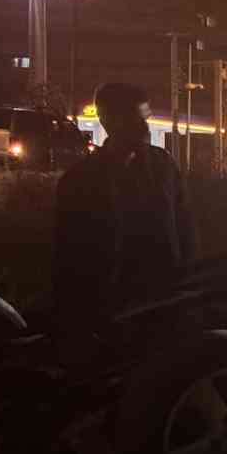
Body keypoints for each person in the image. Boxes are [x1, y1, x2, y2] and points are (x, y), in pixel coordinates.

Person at [53, 81, 197, 332]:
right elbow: (68, 256)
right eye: (135, 119)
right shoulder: (80, 180)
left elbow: (186, 231)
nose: (144, 128)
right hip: (107, 309)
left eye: (146, 119)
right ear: (108, 121)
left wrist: (189, 285)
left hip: (165, 301)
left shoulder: (164, 167)